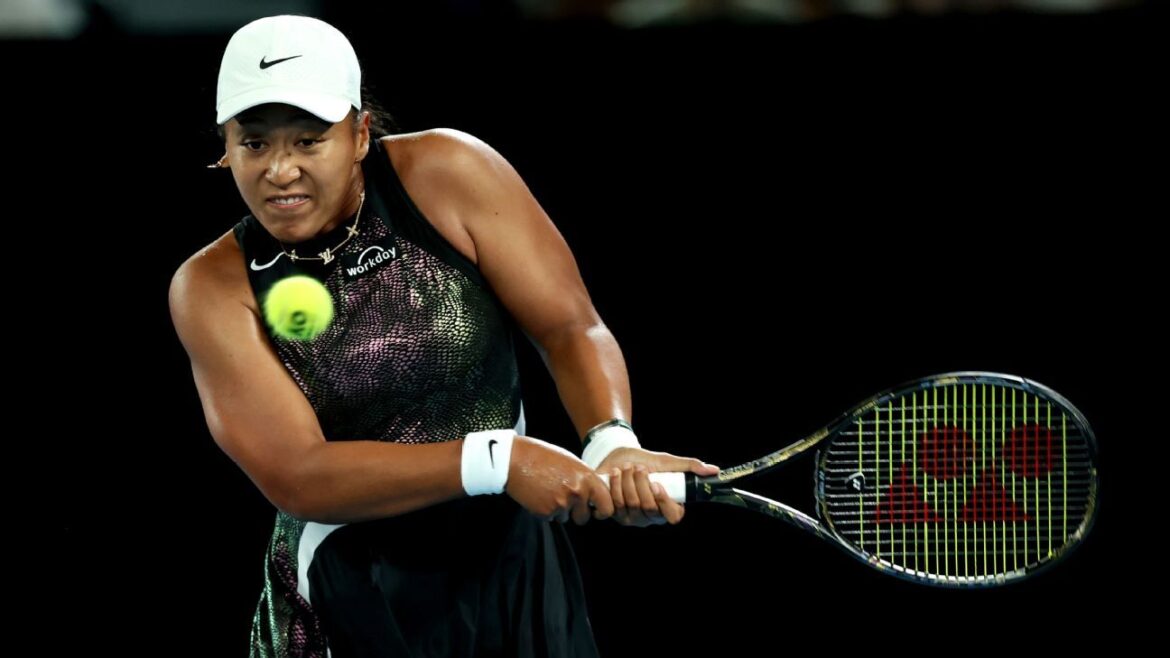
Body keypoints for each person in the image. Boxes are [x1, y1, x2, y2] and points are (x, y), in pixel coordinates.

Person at [169, 14, 719, 658]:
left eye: (309, 141)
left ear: (360, 134)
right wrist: (500, 460)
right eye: (255, 143)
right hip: (352, 584)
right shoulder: (212, 286)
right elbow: (299, 475)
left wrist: (611, 441)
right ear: (225, 148)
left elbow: (569, 325)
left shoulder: (448, 173)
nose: (280, 170)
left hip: (512, 561)